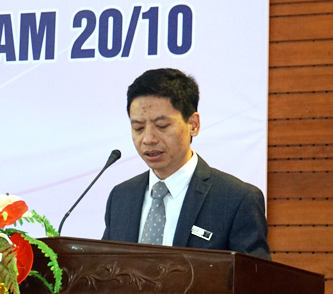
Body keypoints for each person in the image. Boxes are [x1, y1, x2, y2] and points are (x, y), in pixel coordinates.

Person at [101, 68, 270, 259]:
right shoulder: (121, 198)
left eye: (162, 126)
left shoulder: (236, 200)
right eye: (138, 128)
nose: (148, 139)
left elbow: (252, 276)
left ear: (193, 124)